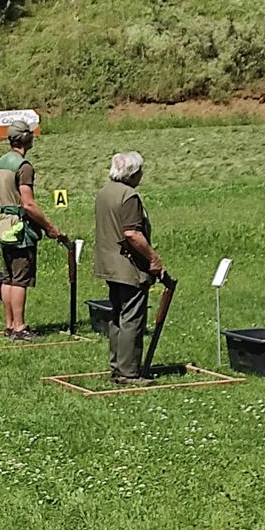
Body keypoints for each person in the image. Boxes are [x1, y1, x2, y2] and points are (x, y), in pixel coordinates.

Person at [93, 151, 165, 385]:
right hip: (127, 266)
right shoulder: (129, 196)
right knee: (132, 318)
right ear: (133, 173)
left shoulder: (104, 192)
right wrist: (153, 259)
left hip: (108, 264)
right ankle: (128, 373)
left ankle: (117, 367)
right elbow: (132, 234)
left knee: (117, 316)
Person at [0, 119, 61, 340]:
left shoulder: (0, 163)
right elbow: (29, 204)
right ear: (25, 139)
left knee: (8, 277)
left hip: (4, 224)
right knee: (21, 278)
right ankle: (20, 327)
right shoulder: (24, 166)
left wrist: (9, 208)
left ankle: (9, 324)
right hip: (21, 229)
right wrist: (50, 227)